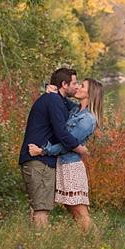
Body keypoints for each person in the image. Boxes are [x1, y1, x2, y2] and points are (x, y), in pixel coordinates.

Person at [28, 78, 103, 232]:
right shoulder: (76, 110)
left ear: (90, 93)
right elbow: (61, 95)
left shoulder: (87, 119)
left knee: (79, 212)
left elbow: (66, 143)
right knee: (72, 211)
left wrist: (43, 151)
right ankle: (89, 243)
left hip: (71, 168)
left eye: (81, 86)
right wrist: (48, 87)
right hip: (62, 165)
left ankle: (96, 243)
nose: (77, 87)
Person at [19, 68, 88, 229]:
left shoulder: (56, 99)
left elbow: (75, 112)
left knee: (37, 206)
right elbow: (62, 133)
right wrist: (79, 148)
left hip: (37, 160)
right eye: (74, 83)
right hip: (38, 161)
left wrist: (47, 86)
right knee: (41, 209)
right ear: (64, 84)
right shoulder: (54, 100)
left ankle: (33, 245)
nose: (76, 87)